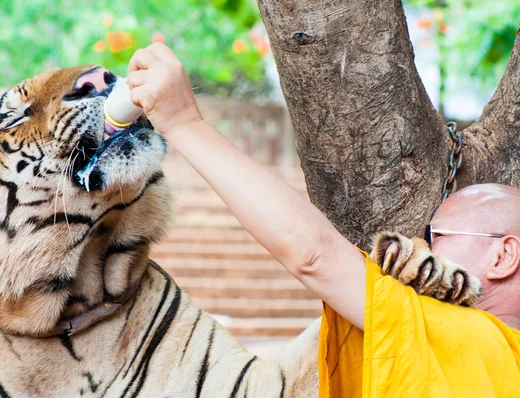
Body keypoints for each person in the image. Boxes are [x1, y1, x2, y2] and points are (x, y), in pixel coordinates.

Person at [124, 43, 520, 397]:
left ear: (503, 256)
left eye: (438, 235)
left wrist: (183, 122)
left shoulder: (468, 339)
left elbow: (315, 255)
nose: (422, 247)